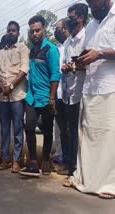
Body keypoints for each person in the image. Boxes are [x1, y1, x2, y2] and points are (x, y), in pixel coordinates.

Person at [66, 0, 115, 199]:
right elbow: (88, 56)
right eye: (89, 3)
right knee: (89, 136)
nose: (92, 7)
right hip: (90, 88)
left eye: (94, 3)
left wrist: (100, 53)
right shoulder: (92, 26)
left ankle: (109, 184)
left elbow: (99, 53)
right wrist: (78, 63)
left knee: (108, 138)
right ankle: (87, 179)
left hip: (110, 87)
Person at [19, 15, 60, 177]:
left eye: (37, 30)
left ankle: (45, 161)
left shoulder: (51, 49)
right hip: (32, 96)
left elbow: (55, 75)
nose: (34, 34)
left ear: (44, 29)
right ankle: (33, 163)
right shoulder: (31, 50)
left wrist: (51, 98)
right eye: (32, 31)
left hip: (46, 97)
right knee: (29, 127)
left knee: (47, 130)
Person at [0, 21, 30, 173]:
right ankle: (5, 159)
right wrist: (1, 87)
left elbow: (24, 69)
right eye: (9, 30)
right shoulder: (0, 53)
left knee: (18, 128)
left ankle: (17, 160)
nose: (11, 33)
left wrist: (11, 86)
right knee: (5, 129)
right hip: (3, 97)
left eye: (13, 31)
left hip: (17, 96)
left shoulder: (22, 48)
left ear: (18, 33)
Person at [57, 4, 88, 176]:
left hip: (82, 92)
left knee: (79, 131)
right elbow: (64, 63)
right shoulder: (68, 42)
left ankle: (78, 167)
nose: (69, 21)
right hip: (68, 93)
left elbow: (90, 62)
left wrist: (75, 66)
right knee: (68, 131)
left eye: (72, 17)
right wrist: (67, 67)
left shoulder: (87, 37)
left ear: (81, 18)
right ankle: (70, 165)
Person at [52, 18, 70, 170]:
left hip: (72, 95)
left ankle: (69, 160)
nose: (55, 31)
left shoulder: (72, 44)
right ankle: (61, 157)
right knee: (60, 130)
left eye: (57, 28)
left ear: (65, 29)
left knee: (69, 130)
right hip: (58, 95)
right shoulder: (57, 49)